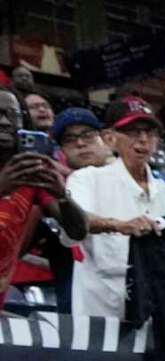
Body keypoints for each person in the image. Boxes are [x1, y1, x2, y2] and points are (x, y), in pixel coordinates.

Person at [64, 97, 165, 318]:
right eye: (133, 132)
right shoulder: (86, 180)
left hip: (162, 321)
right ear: (110, 138)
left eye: (150, 133)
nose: (143, 140)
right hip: (103, 322)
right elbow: (76, 220)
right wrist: (119, 226)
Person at [0, 89, 87, 301]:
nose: (4, 122)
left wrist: (62, 195)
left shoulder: (30, 176)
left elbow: (78, 231)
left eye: (12, 115)